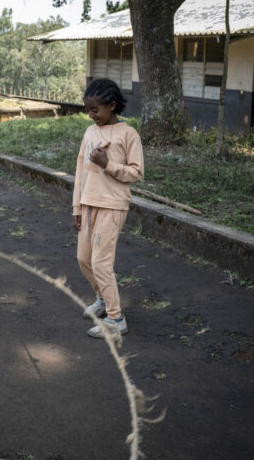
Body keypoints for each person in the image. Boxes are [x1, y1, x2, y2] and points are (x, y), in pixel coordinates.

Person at [73, 78, 144, 339]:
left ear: (112, 106)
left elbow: (136, 173)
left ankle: (116, 319)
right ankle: (102, 298)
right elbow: (80, 171)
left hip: (113, 206)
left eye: (95, 110)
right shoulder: (90, 132)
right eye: (88, 110)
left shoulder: (129, 134)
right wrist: (76, 208)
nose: (91, 115)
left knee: (101, 262)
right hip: (88, 203)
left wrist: (108, 164)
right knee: (83, 258)